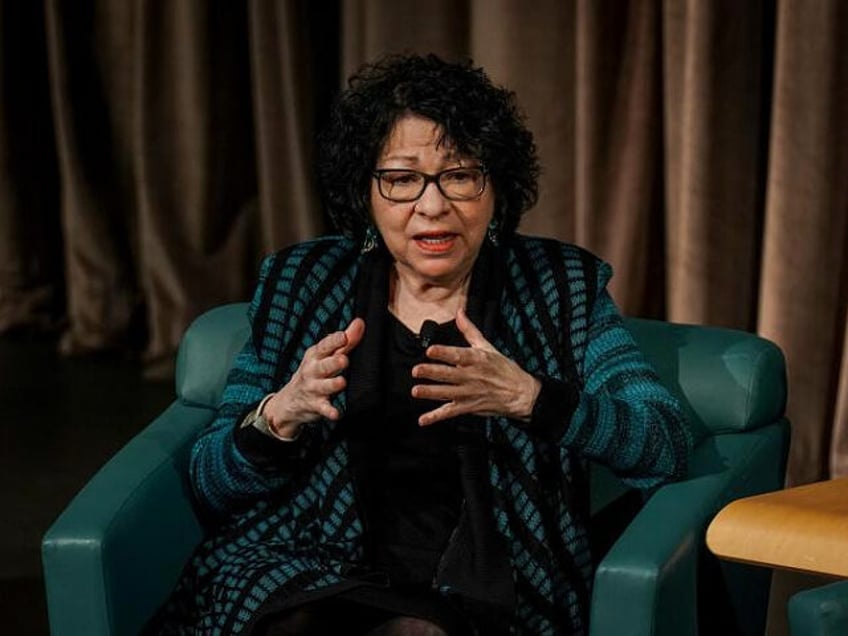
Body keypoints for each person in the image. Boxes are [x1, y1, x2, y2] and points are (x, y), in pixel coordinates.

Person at [151, 53, 692, 635]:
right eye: (402, 179)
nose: (432, 205)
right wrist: (280, 415)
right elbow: (210, 483)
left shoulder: (560, 288)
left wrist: (535, 399)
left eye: (459, 175)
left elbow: (664, 445)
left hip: (493, 590)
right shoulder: (301, 283)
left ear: (496, 188)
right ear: (366, 192)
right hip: (311, 568)